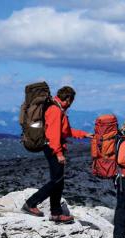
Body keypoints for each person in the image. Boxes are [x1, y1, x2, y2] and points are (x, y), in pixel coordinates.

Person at [21, 86, 92, 223]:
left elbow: (65, 131)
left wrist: (84, 134)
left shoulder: (57, 108)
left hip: (53, 147)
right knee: (56, 181)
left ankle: (56, 213)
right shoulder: (55, 110)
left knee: (59, 182)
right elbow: (53, 135)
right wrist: (59, 153)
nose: (71, 104)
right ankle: (31, 203)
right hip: (53, 148)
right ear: (68, 99)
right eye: (72, 101)